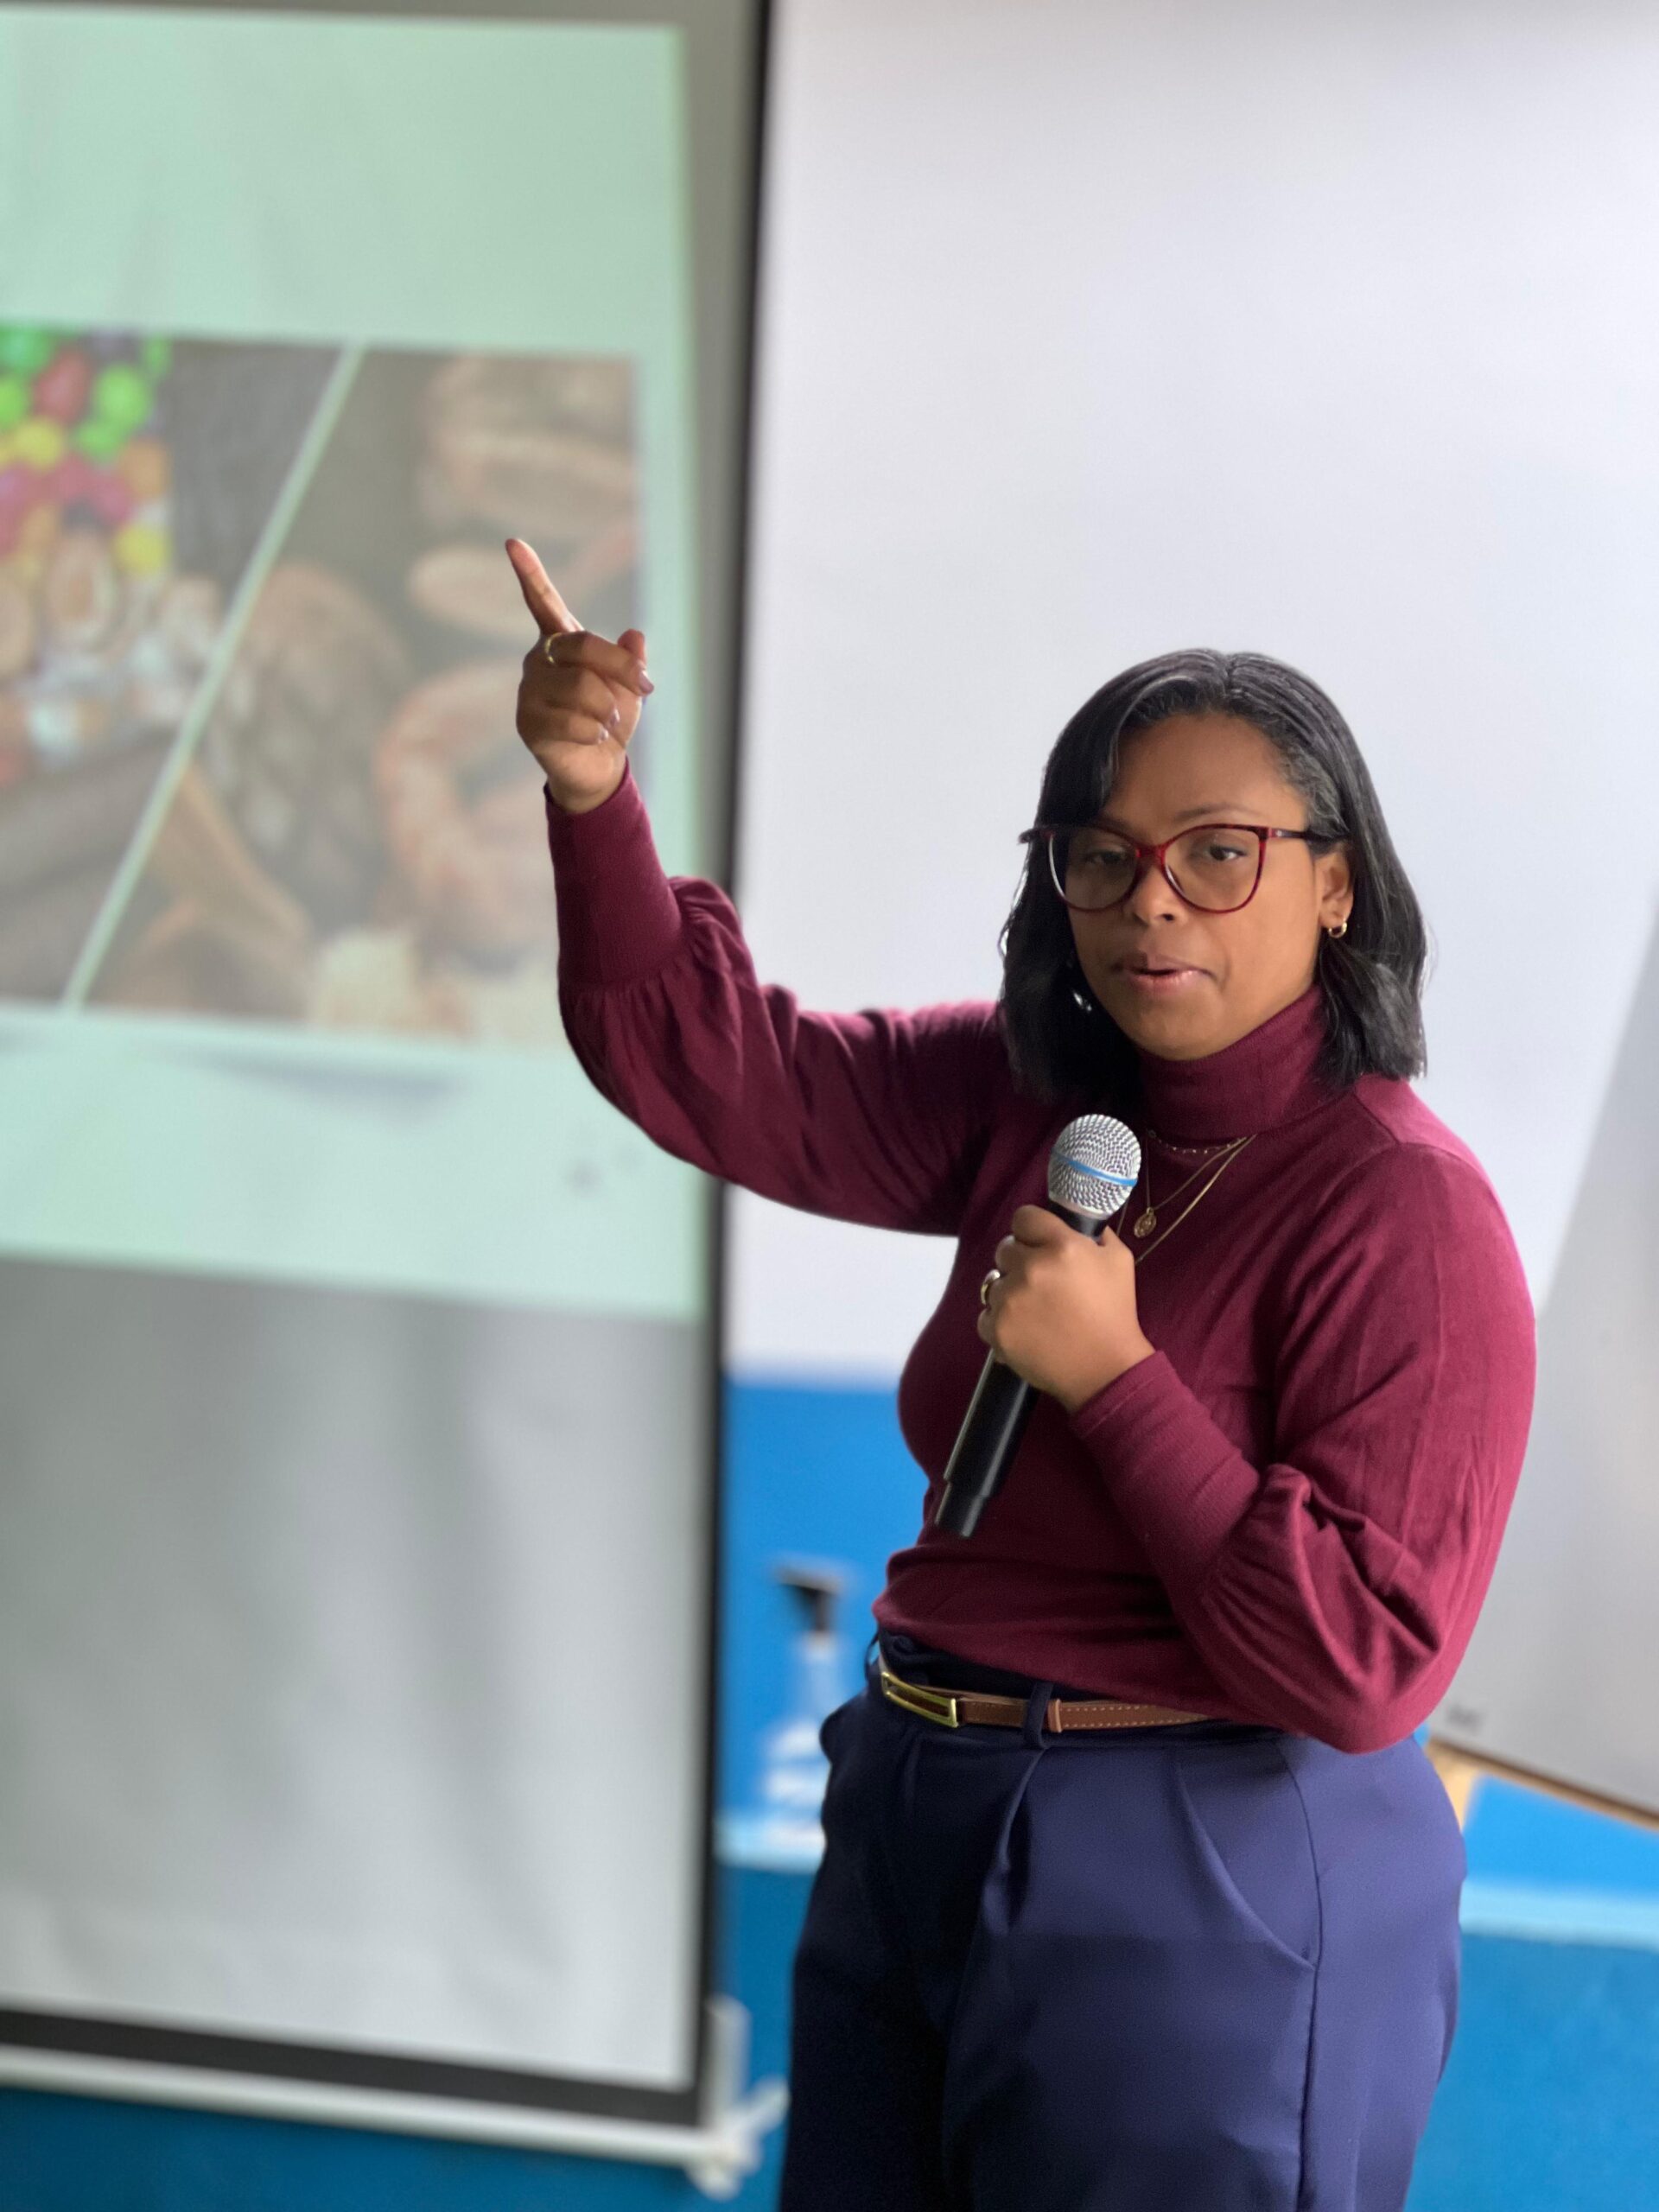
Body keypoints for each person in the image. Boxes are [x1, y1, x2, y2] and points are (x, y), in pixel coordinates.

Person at [505, 535, 1537, 2212]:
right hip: (920, 1801)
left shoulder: (1405, 1208)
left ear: (1338, 884)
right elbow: (719, 1072)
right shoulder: (1034, 1095)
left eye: (1220, 854)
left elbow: (1360, 1664)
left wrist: (1117, 1378)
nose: (1152, 900)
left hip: (1198, 1860)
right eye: (1102, 857)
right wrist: (593, 794)